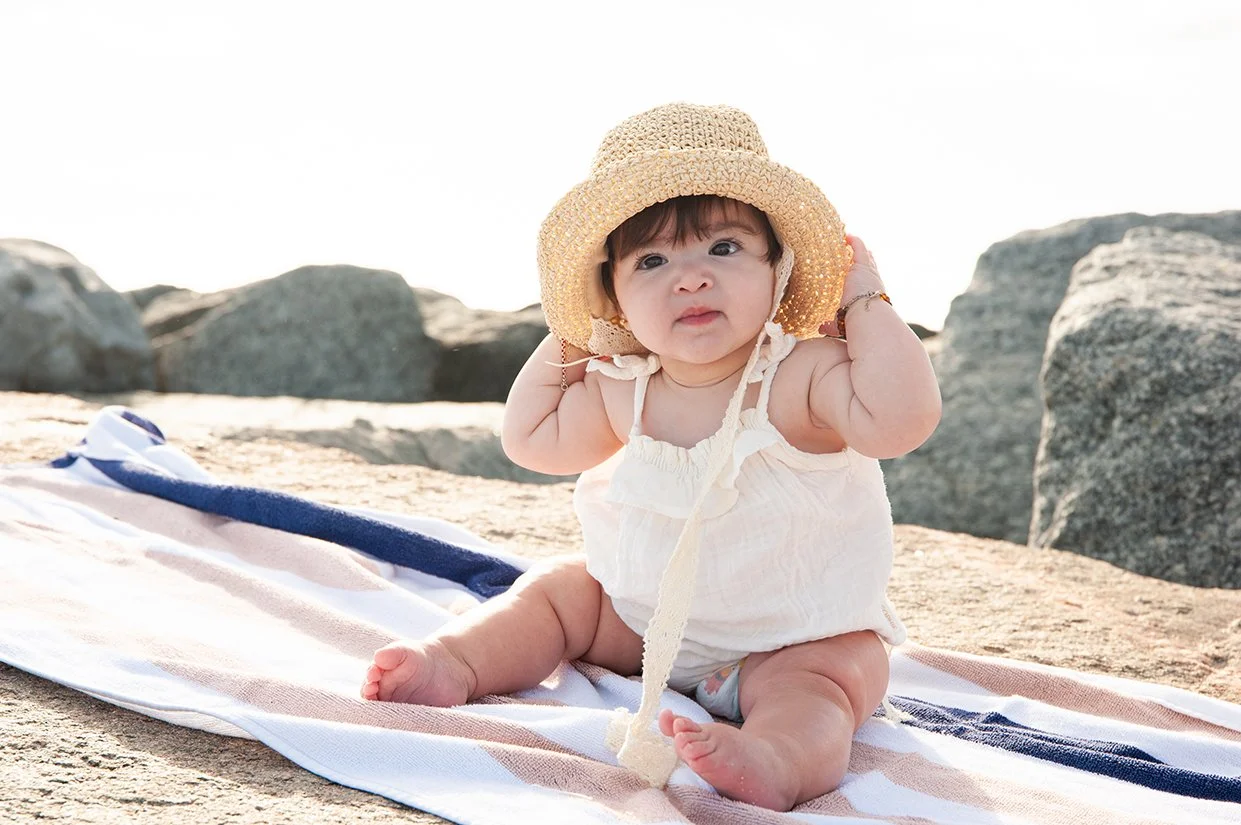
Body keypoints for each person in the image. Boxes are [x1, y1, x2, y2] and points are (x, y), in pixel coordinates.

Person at [361, 103, 941, 811]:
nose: (690, 278)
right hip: (639, 621)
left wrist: (864, 303)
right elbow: (532, 438)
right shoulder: (623, 386)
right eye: (652, 262)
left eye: (722, 249)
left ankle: (777, 757)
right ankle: (452, 661)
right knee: (558, 591)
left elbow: (900, 420)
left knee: (834, 678)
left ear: (778, 271)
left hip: (788, 641)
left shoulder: (802, 375)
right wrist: (573, 335)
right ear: (615, 295)